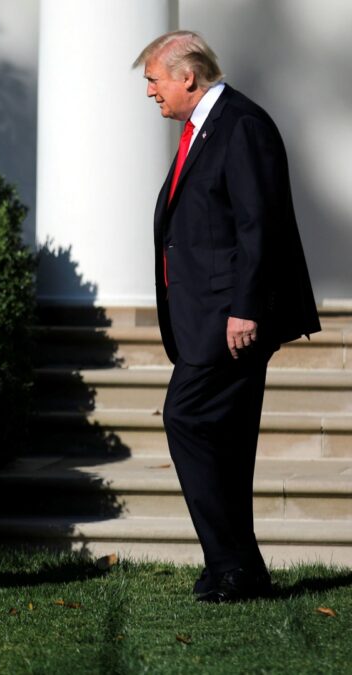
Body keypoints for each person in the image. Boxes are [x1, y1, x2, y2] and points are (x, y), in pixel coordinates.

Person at [133, 31, 320, 602]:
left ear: (187, 76)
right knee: (226, 440)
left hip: (228, 318)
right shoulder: (205, 128)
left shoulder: (241, 125)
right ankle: (240, 569)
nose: (150, 93)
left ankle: (230, 564)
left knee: (185, 418)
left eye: (154, 79)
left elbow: (257, 224)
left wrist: (245, 308)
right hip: (205, 316)